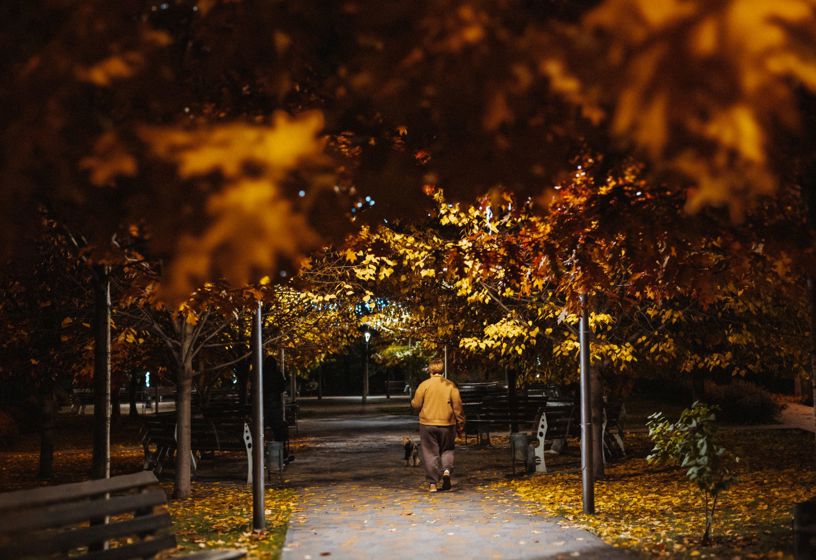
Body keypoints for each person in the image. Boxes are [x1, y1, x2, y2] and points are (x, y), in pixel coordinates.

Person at [410, 359, 465, 492]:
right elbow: (457, 407)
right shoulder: (450, 385)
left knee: (430, 453)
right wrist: (460, 424)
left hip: (427, 423)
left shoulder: (424, 385)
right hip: (447, 423)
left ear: (430, 370)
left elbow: (416, 404)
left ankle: (433, 483)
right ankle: (446, 470)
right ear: (442, 370)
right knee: (447, 449)